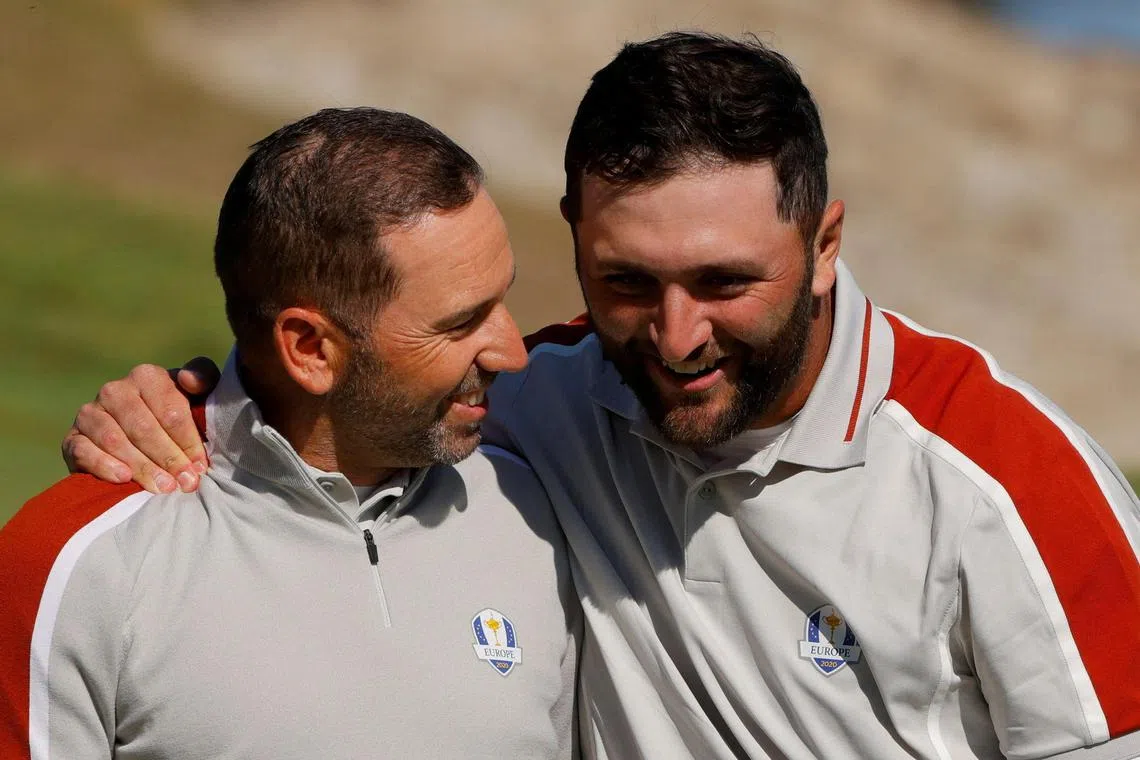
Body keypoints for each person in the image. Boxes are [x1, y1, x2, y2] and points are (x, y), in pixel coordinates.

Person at [57, 31, 1140, 760]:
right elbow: (352, 385)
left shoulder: (1009, 479)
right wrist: (183, 404)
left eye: (724, 283)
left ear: (824, 245)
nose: (675, 339)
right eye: (625, 282)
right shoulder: (535, 399)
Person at [0, 108, 580, 760]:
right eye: (460, 323)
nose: (511, 351)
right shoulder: (79, 565)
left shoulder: (539, 511)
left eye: (502, 300)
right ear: (309, 349)